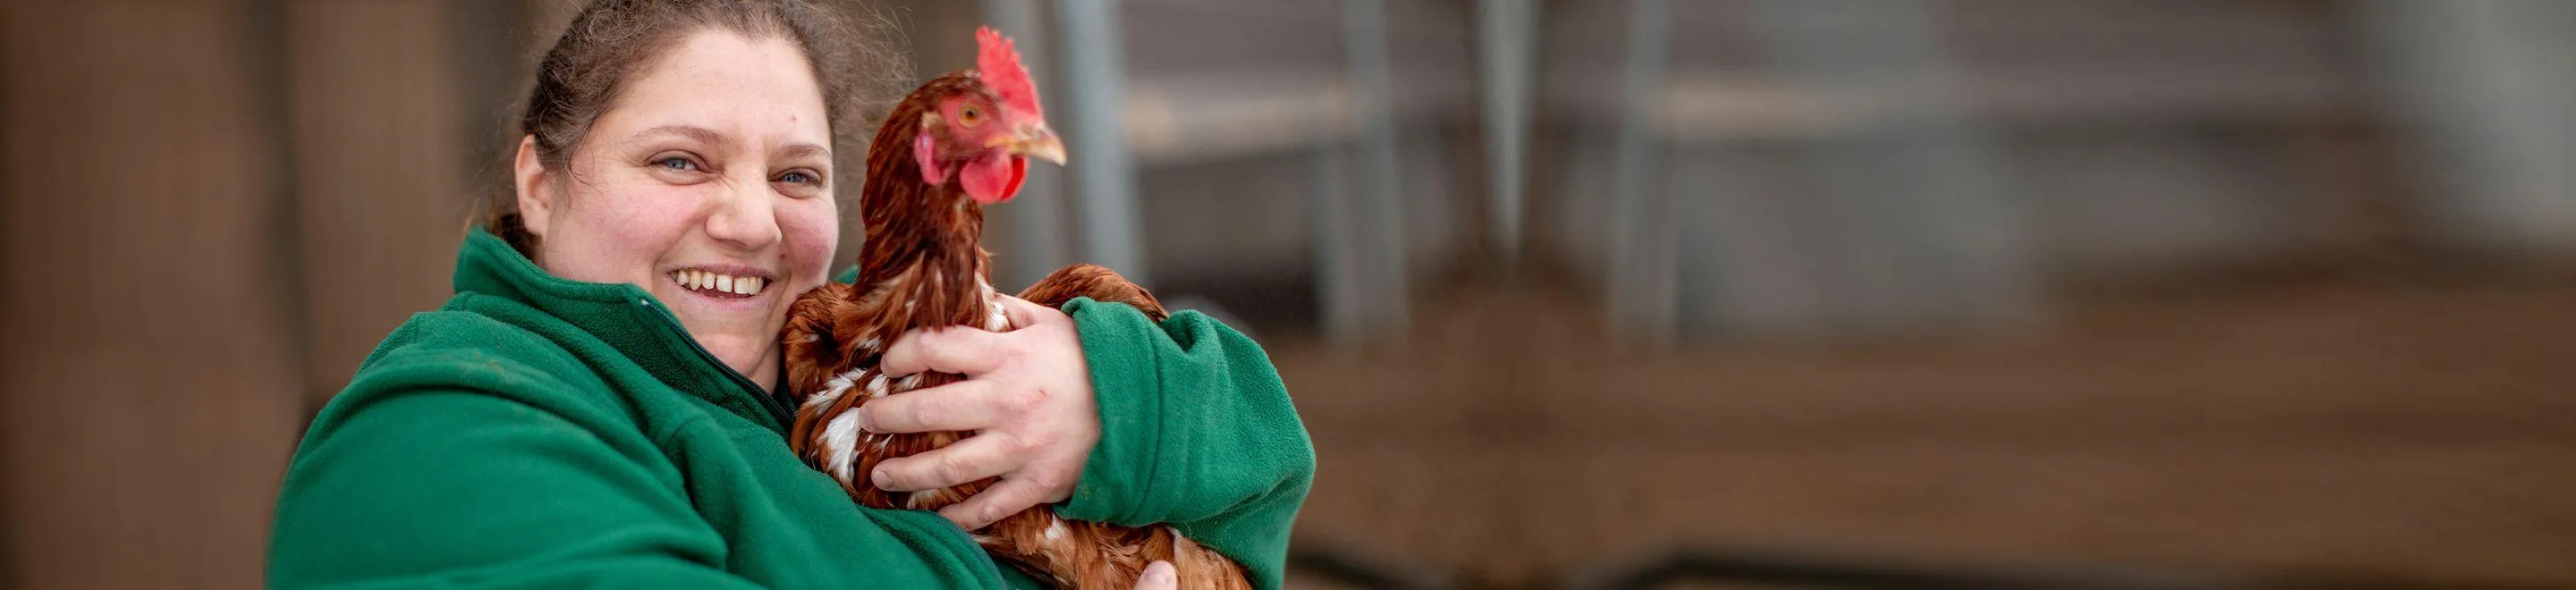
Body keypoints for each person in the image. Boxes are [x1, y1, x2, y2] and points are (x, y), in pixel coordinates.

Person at [266, 1, 1314, 588]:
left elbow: (1269, 473)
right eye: (680, 162)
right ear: (539, 181)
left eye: (796, 175)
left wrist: (1108, 402)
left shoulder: (865, 356)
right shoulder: (440, 427)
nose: (753, 222)